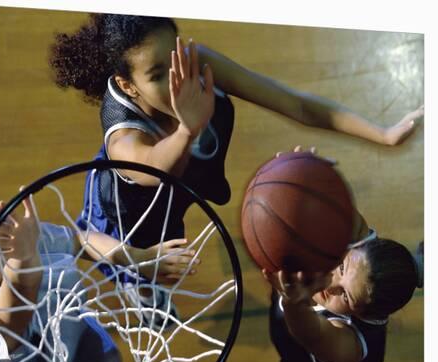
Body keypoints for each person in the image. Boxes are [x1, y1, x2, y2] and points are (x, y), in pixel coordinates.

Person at [48, 14, 423, 323]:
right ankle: (142, 293)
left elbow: (297, 105)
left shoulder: (198, 65)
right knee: (148, 270)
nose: (179, 79)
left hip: (185, 188)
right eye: (158, 74)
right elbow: (150, 170)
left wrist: (384, 134)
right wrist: (188, 127)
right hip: (132, 220)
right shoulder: (123, 140)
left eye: (178, 56)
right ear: (127, 87)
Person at [0, 193, 198, 362]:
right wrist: (23, 258)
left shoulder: (14, 241)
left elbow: (80, 239)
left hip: (71, 334)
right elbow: (17, 296)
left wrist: (139, 259)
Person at [262, 148, 424, 362]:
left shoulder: (349, 346)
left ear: (364, 314)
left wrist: (293, 301)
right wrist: (303, 175)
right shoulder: (357, 247)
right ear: (356, 245)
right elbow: (338, 205)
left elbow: (312, 334)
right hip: (288, 326)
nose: (330, 284)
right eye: (340, 268)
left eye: (346, 296)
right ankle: (420, 265)